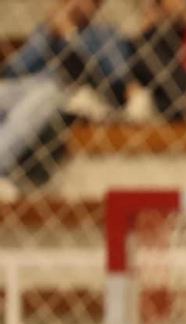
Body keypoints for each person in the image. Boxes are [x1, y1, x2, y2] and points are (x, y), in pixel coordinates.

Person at [0, 0, 129, 196]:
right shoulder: (46, 32)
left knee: (46, 92)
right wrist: (47, 35)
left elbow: (113, 82)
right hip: (26, 89)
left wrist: (69, 35)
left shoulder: (106, 36)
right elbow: (14, 71)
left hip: (66, 94)